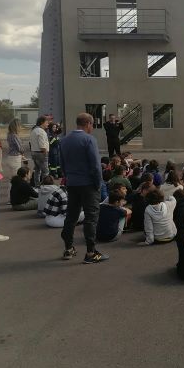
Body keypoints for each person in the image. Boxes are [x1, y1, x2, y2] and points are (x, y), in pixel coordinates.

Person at [59, 113, 108, 264]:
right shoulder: (89, 140)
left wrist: (69, 177)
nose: (92, 128)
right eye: (92, 125)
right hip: (88, 184)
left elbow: (62, 164)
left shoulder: (64, 140)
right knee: (91, 218)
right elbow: (95, 165)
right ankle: (90, 252)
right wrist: (98, 183)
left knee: (71, 217)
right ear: (87, 123)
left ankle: (68, 248)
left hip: (72, 183)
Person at [3, 118, 25, 198]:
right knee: (15, 179)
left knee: (12, 179)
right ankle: (12, 197)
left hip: (11, 157)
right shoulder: (14, 135)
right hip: (15, 158)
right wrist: (23, 152)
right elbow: (19, 148)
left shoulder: (9, 134)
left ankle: (11, 197)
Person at [29, 116, 50, 187]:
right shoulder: (41, 131)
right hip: (41, 153)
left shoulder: (33, 130)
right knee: (45, 172)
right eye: (46, 122)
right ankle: (45, 187)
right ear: (42, 122)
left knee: (37, 170)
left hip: (34, 152)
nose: (48, 124)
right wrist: (46, 153)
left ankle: (37, 185)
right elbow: (42, 146)